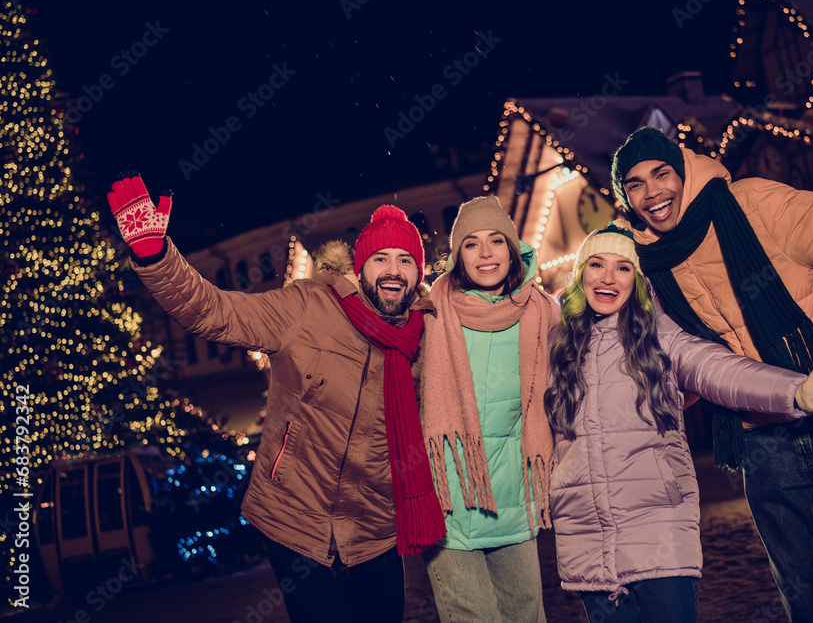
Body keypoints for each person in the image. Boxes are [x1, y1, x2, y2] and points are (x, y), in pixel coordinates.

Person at [610, 93, 813, 621]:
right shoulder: (647, 267)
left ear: (684, 171)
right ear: (626, 198)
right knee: (804, 602)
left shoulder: (752, 204)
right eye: (635, 184)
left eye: (660, 173)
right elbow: (686, 366)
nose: (653, 192)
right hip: (760, 437)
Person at [107, 175, 445, 623]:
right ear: (360, 268)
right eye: (380, 257)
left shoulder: (429, 337)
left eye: (405, 260)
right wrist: (156, 257)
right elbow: (214, 311)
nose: (393, 270)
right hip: (294, 521)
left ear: (418, 273)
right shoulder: (307, 308)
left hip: (376, 530)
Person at [545, 224, 813, 623]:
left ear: (638, 282)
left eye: (623, 268)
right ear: (580, 274)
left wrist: (796, 392)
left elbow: (722, 372)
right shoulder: (554, 345)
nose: (607, 277)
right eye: (597, 264)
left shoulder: (661, 339)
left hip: (659, 531)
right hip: (585, 540)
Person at [418, 195, 560, 623]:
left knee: (527, 616)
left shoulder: (543, 314)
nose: (485, 253)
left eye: (496, 241)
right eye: (471, 243)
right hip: (446, 505)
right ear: (457, 255)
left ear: (513, 250)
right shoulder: (427, 313)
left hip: (513, 499)